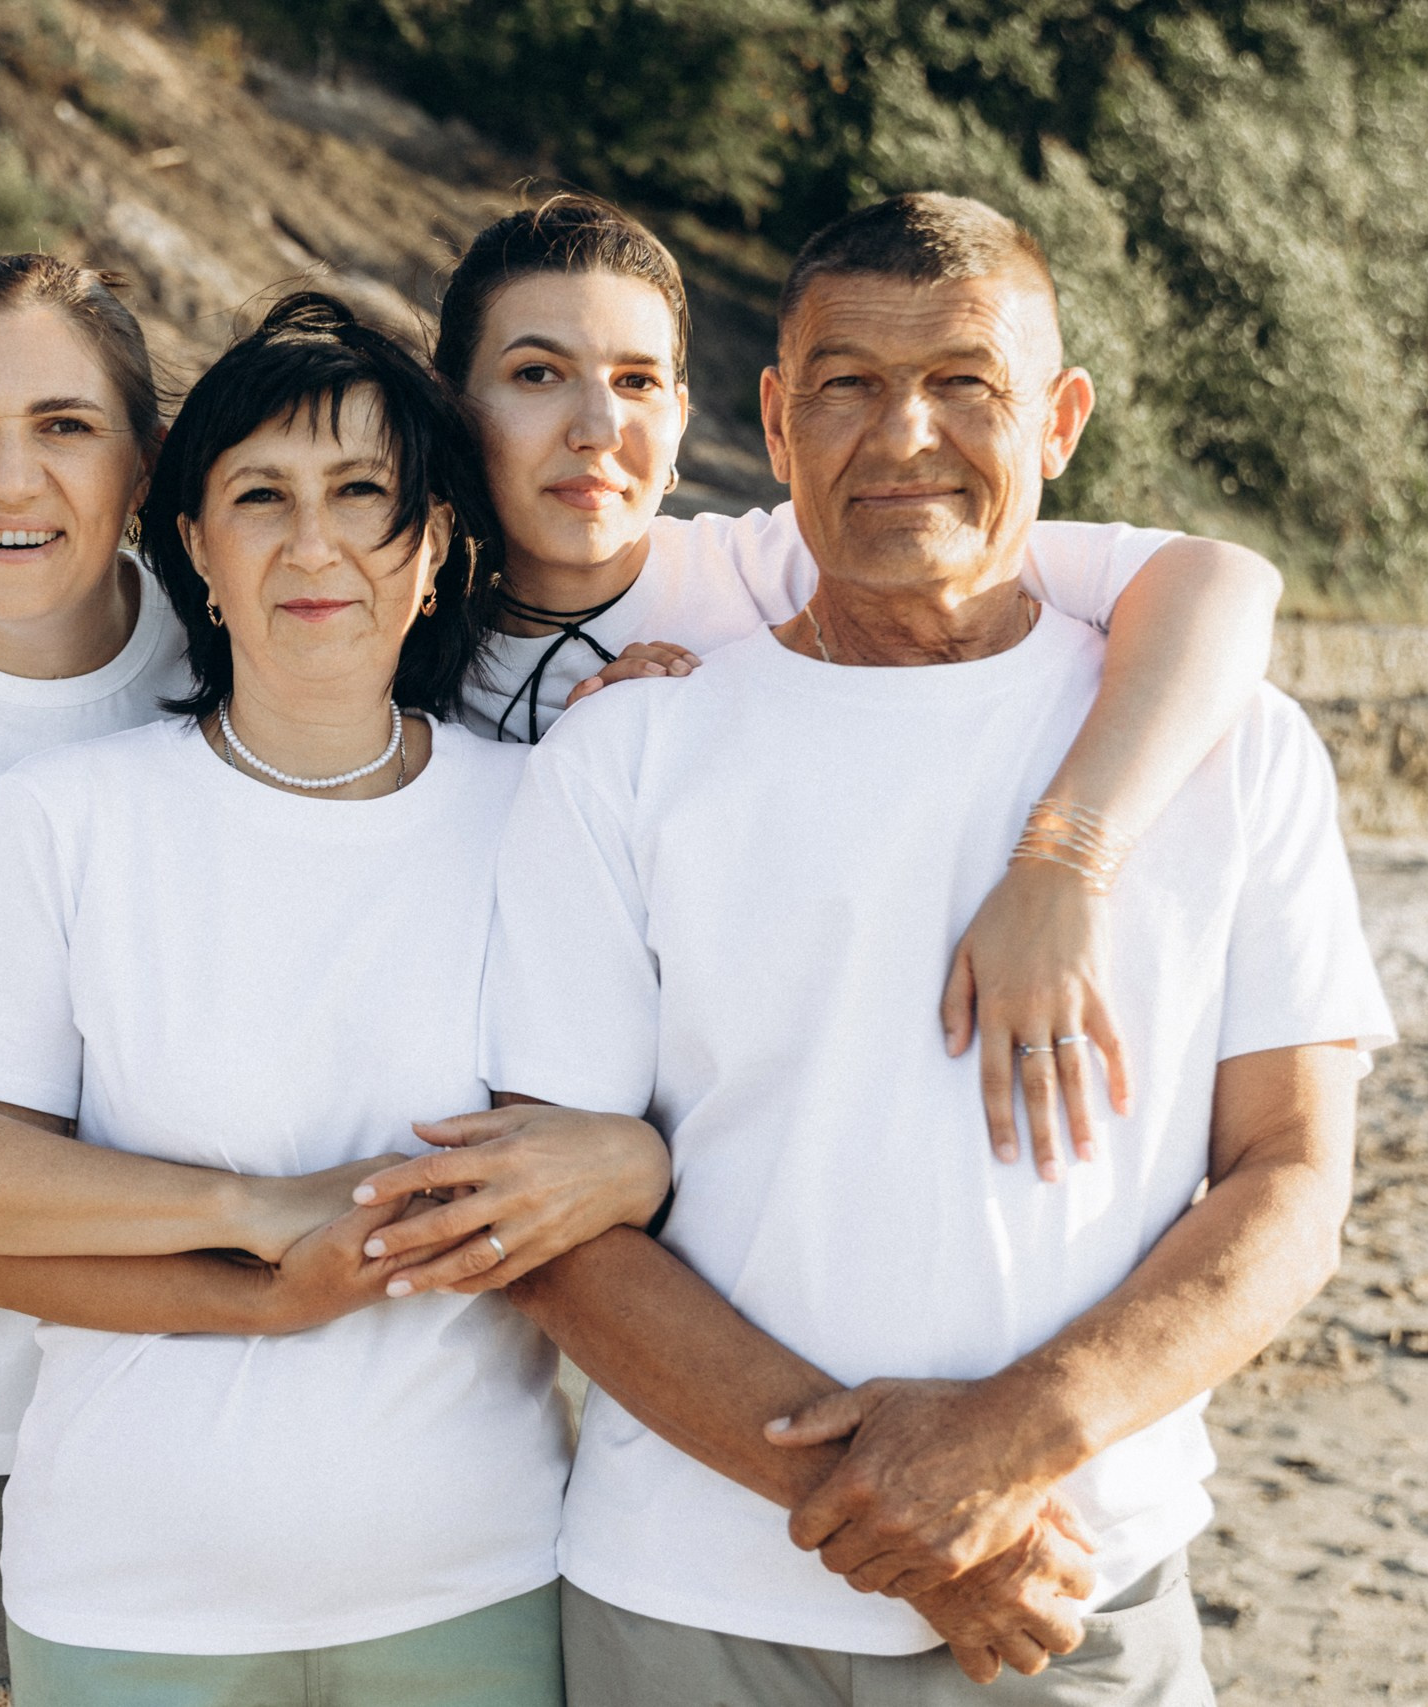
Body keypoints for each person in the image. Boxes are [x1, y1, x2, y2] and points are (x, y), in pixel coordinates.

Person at [477, 192, 1397, 1704]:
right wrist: (928, 1522)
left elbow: (1293, 1180)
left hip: (1077, 1589)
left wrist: (1014, 1441)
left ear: (1060, 420)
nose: (904, 434)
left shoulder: (1232, 748)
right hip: (684, 1597)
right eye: (847, 384)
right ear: (776, 425)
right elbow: (562, 1230)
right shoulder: (626, 754)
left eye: (966, 383)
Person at [0, 294, 667, 1706]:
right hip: (129, 1589)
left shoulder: (547, 807)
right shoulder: (69, 819)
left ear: (436, 542)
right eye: (262, 496)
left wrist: (635, 1154)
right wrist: (265, 1284)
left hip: (477, 1580)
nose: (314, 544)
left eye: (361, 494)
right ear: (196, 546)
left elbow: (624, 1149)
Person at [0, 257, 394, 1707]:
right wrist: (245, 1214)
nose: (10, 475)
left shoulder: (238, 626)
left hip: (193, 1406)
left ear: (146, 461)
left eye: (66, 423)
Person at [418, 194, 1287, 1185]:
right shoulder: (365, 611)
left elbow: (1218, 583)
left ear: (687, 418)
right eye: (537, 374)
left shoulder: (783, 561)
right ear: (453, 402)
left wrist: (1066, 858)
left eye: (637, 381)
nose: (596, 426)